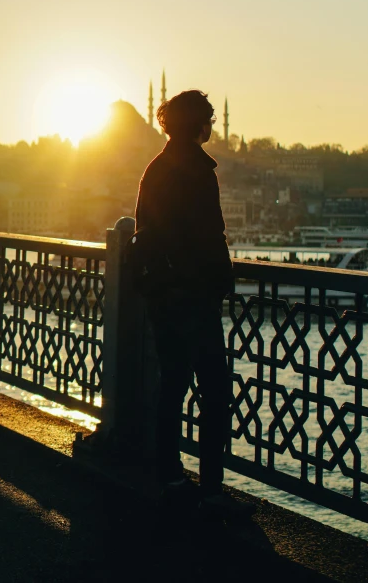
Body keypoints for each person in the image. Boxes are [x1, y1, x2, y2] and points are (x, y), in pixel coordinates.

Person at [135, 90, 248, 517]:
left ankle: (171, 478)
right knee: (215, 392)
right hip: (193, 296)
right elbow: (208, 236)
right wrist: (222, 281)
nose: (213, 127)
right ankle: (213, 490)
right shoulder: (198, 170)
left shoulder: (156, 167)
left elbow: (147, 230)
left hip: (163, 294)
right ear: (198, 124)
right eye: (209, 120)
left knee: (173, 386)